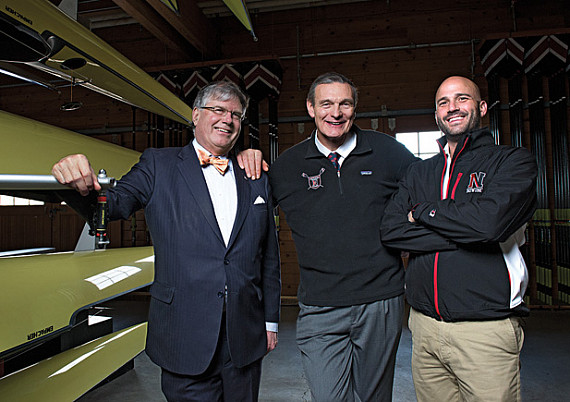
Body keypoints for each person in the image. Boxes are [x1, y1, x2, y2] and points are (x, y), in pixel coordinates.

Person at [52, 81, 281, 402]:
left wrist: (270, 321)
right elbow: (113, 205)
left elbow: (268, 256)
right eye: (217, 109)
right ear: (196, 114)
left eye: (235, 115)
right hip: (183, 332)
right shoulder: (158, 164)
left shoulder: (255, 175)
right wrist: (81, 184)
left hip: (243, 335)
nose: (227, 119)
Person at [239, 72, 418, 401]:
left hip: (380, 303)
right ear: (310, 108)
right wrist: (244, 159)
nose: (335, 112)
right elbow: (242, 212)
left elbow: (432, 188)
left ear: (354, 108)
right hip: (320, 307)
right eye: (326, 104)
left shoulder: (390, 153)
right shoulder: (287, 167)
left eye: (344, 104)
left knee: (374, 398)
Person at [380, 76, 538, 402]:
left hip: (484, 331)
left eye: (461, 98)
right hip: (423, 329)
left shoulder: (512, 162)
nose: (452, 107)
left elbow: (490, 225)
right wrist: (470, 233)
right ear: (437, 114)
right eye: (443, 102)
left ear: (480, 107)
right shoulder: (418, 172)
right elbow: (392, 232)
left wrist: (423, 212)